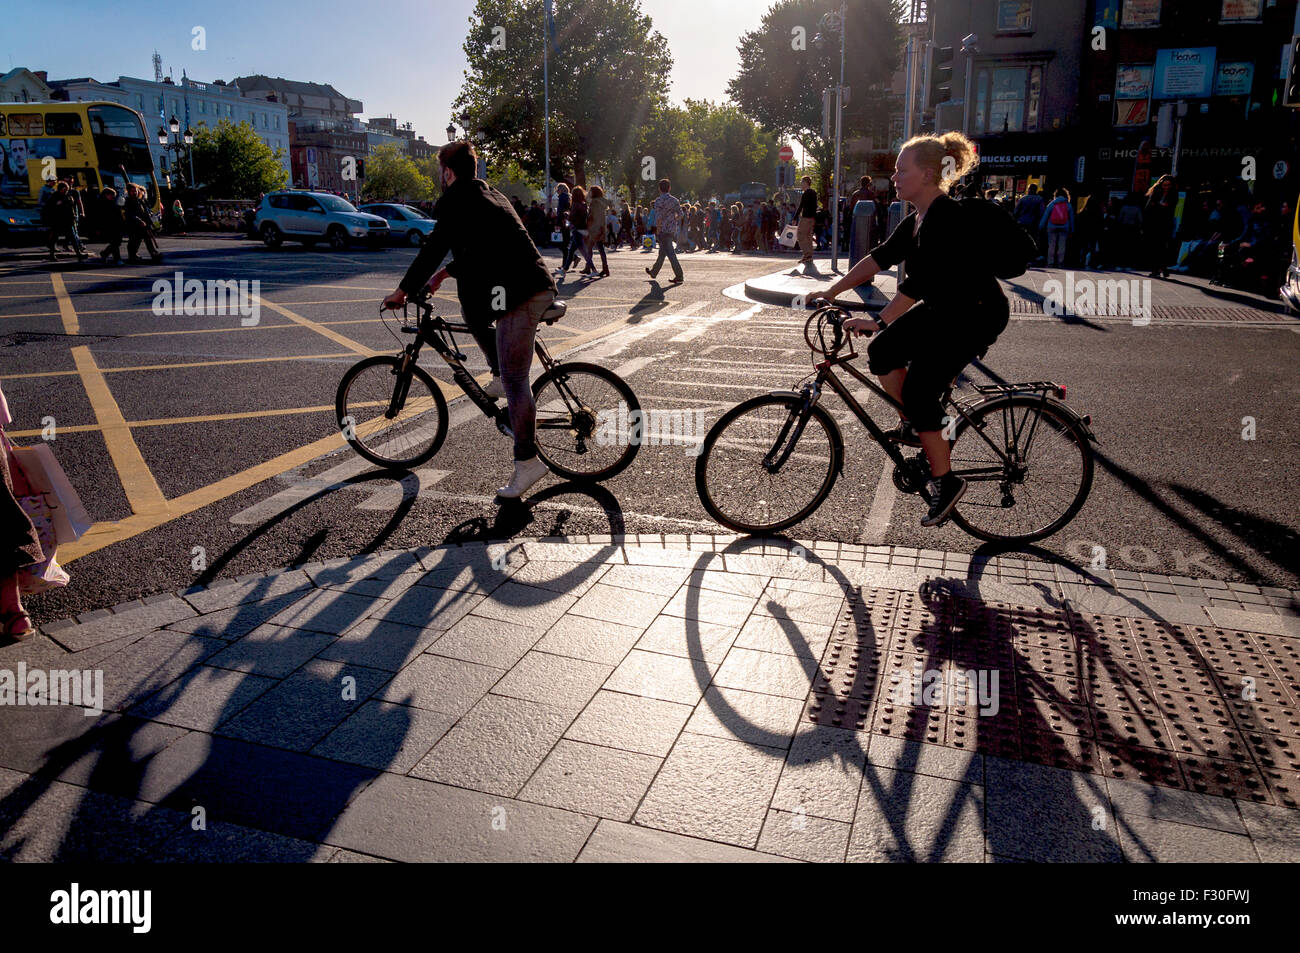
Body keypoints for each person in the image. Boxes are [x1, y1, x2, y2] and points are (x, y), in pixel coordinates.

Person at [810, 131, 1006, 528]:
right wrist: (831, 290)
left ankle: (945, 481)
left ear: (929, 174)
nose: (895, 177)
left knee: (918, 389)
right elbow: (878, 258)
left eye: (902, 170)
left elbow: (914, 288)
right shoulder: (917, 219)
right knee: (882, 353)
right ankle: (920, 424)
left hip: (974, 315)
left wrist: (878, 319)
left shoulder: (945, 219)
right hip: (945, 309)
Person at [381, 140, 558, 499]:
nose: (439, 178)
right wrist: (443, 276)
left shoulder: (455, 199)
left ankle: (527, 462)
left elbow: (434, 246)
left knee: (516, 380)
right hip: (529, 284)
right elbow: (478, 250)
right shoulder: (488, 194)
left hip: (521, 294)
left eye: (439, 172)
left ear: (448, 172)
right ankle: (496, 373)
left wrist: (403, 291)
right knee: (472, 309)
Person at [645, 177, 684, 284]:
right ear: (669, 188)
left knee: (670, 253)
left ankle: (679, 275)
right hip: (671, 229)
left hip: (663, 229)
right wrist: (673, 220)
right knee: (663, 252)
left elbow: (658, 217)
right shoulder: (675, 200)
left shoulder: (658, 201)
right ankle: (654, 271)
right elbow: (681, 215)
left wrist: (658, 229)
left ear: (659, 189)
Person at [1143, 174, 1177, 278]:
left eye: (1168, 185)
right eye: (1164, 185)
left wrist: (1159, 206)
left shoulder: (1173, 194)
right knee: (1155, 247)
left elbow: (1170, 207)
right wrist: (1160, 206)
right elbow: (1149, 207)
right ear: (1161, 184)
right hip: (1155, 223)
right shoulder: (1156, 192)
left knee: (1163, 246)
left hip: (1166, 223)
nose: (1166, 187)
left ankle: (1161, 268)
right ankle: (1159, 268)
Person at [44, 181, 88, 261]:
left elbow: (72, 204)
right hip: (58, 220)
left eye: (67, 189)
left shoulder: (68, 195)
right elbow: (50, 207)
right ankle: (52, 255)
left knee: (73, 237)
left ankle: (79, 254)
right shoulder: (54, 196)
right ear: (60, 189)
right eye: (65, 189)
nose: (66, 191)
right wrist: (58, 204)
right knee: (54, 238)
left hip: (68, 220)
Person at [124, 184, 162, 263]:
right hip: (134, 224)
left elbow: (145, 213)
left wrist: (151, 223)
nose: (134, 192)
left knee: (147, 239)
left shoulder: (140, 200)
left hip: (143, 224)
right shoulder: (128, 201)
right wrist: (139, 220)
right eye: (132, 191)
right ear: (129, 192)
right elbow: (128, 213)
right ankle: (132, 256)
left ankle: (153, 254)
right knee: (134, 240)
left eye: (135, 190)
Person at [1039, 187, 1074, 267]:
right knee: (1062, 245)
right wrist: (1072, 228)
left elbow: (1045, 216)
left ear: (1056, 195)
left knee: (1051, 245)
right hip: (1064, 226)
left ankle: (1050, 262)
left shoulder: (1052, 204)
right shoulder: (1068, 205)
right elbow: (1071, 218)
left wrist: (1041, 226)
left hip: (1052, 226)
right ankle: (1060, 263)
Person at [584, 184, 611, 277]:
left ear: (593, 193)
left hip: (594, 229)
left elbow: (593, 216)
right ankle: (603, 268)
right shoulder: (601, 202)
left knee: (590, 248)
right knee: (597, 249)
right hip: (600, 228)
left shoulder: (594, 203)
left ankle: (591, 268)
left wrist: (588, 219)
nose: (589, 193)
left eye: (590, 191)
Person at [1013, 184, 1045, 258]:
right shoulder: (1039, 199)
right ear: (1036, 189)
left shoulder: (1023, 199)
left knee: (1022, 239)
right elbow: (1041, 212)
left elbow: (1016, 212)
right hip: (1034, 223)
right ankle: (1034, 255)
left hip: (1022, 222)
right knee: (1034, 240)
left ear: (1028, 189)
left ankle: (1022, 254)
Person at [98, 188, 125, 263]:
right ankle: (117, 259)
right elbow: (99, 217)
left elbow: (119, 214)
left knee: (117, 242)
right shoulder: (101, 204)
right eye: (112, 195)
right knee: (115, 243)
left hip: (116, 225)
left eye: (114, 196)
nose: (113, 197)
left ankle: (104, 253)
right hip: (108, 226)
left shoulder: (113, 203)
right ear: (106, 195)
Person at [795, 176, 818, 264]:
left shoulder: (806, 193)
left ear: (805, 183)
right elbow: (815, 206)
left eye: (802, 182)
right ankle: (809, 255)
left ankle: (806, 254)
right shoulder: (814, 192)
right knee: (808, 236)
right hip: (812, 218)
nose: (801, 184)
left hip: (806, 217)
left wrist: (795, 217)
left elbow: (801, 206)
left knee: (800, 235)